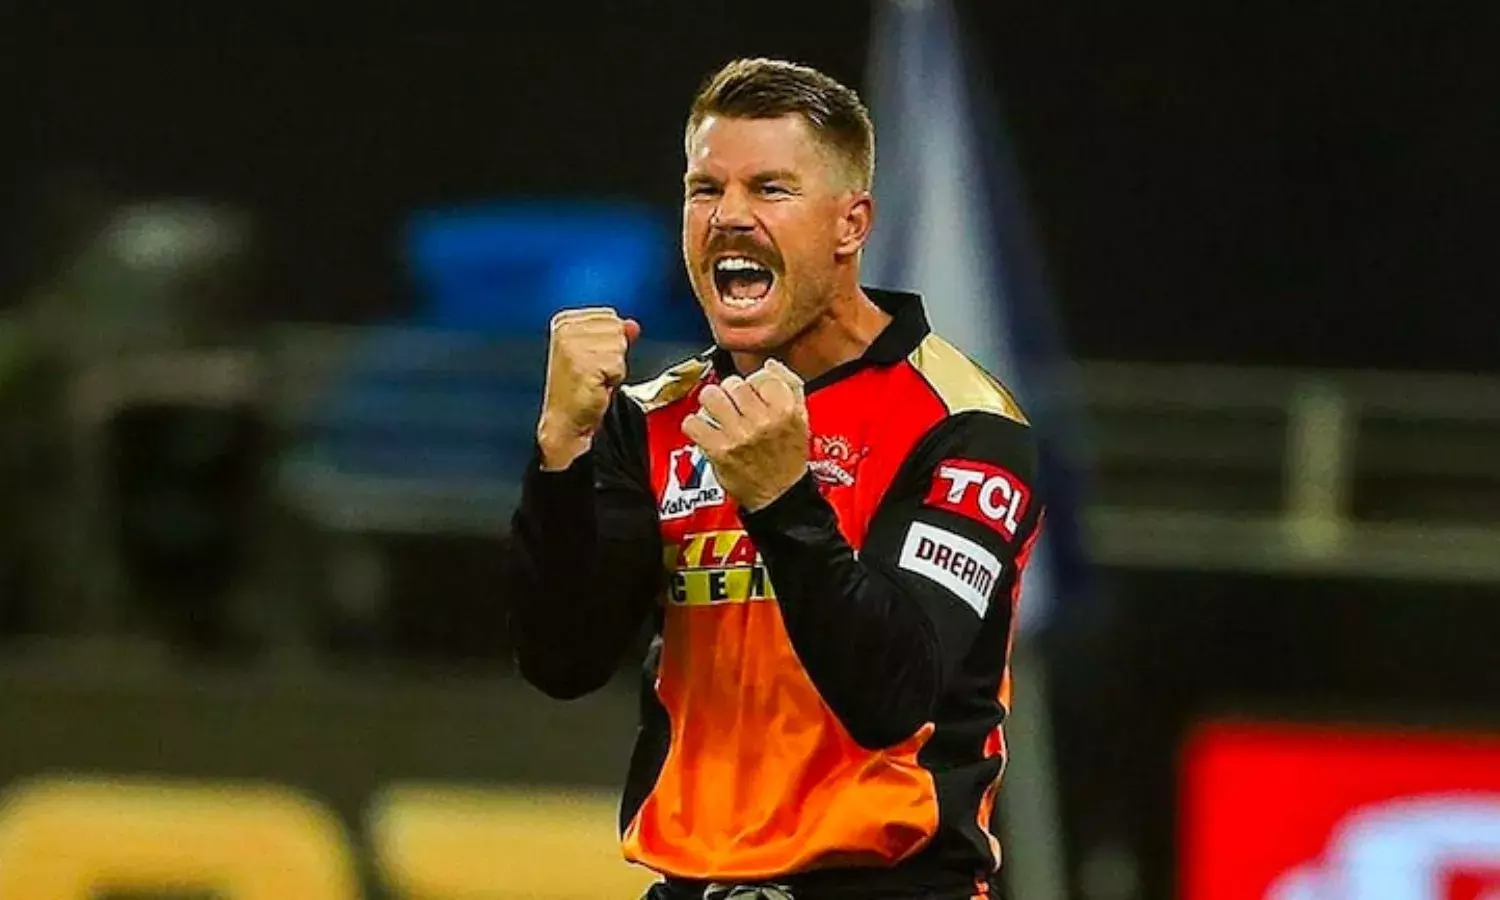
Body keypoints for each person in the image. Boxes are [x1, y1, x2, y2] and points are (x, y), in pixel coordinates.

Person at [505, 57, 1045, 900]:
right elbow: (563, 661)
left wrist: (782, 501)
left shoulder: (963, 425)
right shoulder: (652, 417)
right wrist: (561, 453)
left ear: (850, 224)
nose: (729, 216)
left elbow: (895, 694)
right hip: (690, 883)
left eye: (770, 189)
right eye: (705, 189)